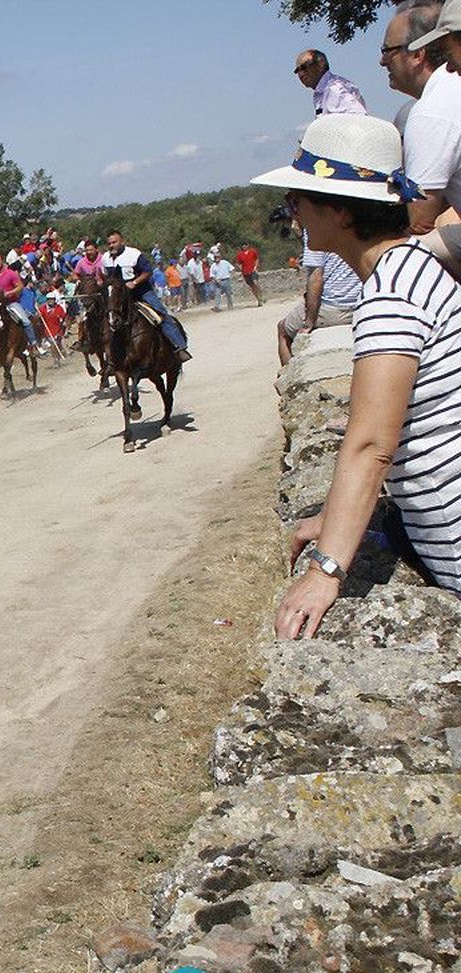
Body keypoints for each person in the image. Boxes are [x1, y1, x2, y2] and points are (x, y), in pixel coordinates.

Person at [253, 113, 461, 637]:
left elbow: (371, 443)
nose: (292, 211)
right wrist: (344, 517)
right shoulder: (416, 265)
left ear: (342, 213)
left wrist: (327, 569)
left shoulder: (389, 297)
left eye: (300, 198)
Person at [384, 1, 461, 234]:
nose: (381, 61)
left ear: (418, 54)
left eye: (387, 51)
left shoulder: (431, 110)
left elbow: (421, 224)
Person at [277, 224, 362, 364]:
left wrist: (309, 323)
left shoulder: (317, 226)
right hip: (361, 303)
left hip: (333, 309)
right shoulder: (364, 220)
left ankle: (288, 375)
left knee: (282, 330)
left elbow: (316, 279)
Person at [103, 230, 192, 361]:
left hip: (141, 292)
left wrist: (134, 282)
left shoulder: (134, 254)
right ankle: (104, 354)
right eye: (109, 243)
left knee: (160, 314)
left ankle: (179, 346)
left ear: (122, 241)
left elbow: (147, 271)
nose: (111, 245)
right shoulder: (106, 258)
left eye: (114, 242)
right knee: (105, 316)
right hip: (120, 296)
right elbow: (107, 277)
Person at [0, 252, 39, 356]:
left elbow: (20, 286)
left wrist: (9, 293)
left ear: (2, 262)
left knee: (26, 321)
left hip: (11, 302)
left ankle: (33, 344)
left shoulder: (10, 273)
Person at [295, 48, 369, 115]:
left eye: (304, 67)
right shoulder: (323, 90)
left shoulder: (334, 89)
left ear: (321, 64)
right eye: (297, 71)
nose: (300, 74)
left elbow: (359, 117)